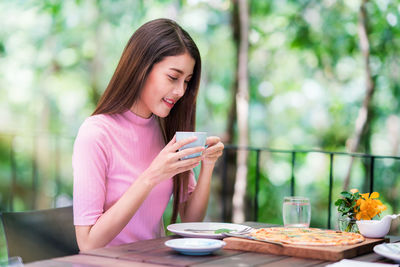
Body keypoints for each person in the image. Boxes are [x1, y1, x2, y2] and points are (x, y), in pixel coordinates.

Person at [72, 18, 224, 251]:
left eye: (187, 81)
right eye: (173, 77)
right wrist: (152, 175)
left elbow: (190, 219)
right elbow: (88, 243)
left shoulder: (165, 130)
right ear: (141, 67)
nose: (180, 91)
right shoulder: (96, 134)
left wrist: (208, 165)